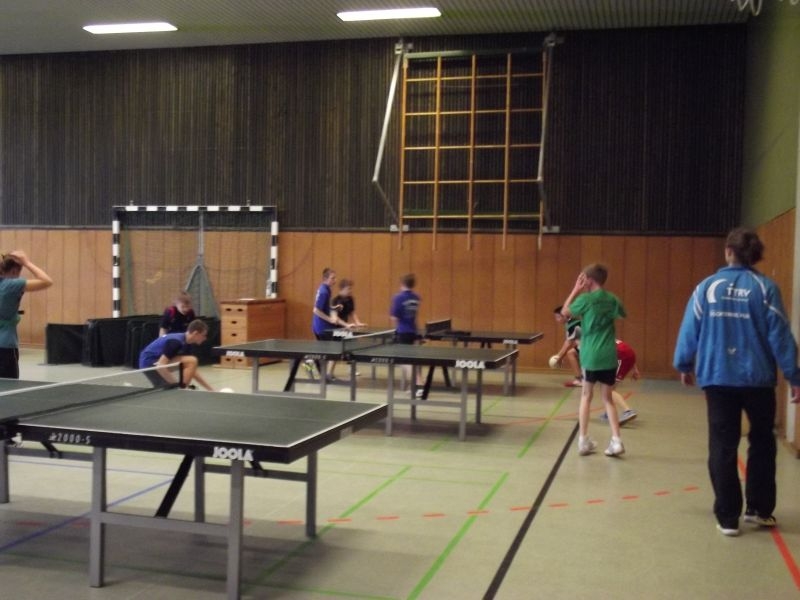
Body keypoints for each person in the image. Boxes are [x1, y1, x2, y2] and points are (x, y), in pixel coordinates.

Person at [674, 227, 800, 537]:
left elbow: (690, 327)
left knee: (722, 445)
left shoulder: (706, 287)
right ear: (754, 255)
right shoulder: (765, 288)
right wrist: (794, 375)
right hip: (758, 380)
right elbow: (780, 335)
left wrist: (684, 362)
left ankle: (728, 516)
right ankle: (758, 509)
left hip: (717, 377)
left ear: (729, 252)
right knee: (762, 441)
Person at [561, 264, 627, 457]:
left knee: (586, 396)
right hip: (608, 355)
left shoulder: (585, 299)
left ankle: (583, 441)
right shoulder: (612, 299)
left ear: (588, 280)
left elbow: (565, 312)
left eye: (583, 279)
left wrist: (575, 290)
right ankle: (616, 441)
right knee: (608, 399)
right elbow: (622, 314)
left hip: (590, 355)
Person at [0, 251, 53, 379]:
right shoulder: (11, 285)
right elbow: (47, 281)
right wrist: (27, 262)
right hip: (5, 346)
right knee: (9, 387)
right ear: (14, 271)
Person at [138, 318, 214, 391]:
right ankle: (181, 389)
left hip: (158, 363)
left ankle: (182, 389)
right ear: (195, 333)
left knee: (191, 362)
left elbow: (192, 370)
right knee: (191, 361)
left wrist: (210, 389)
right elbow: (160, 366)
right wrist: (176, 385)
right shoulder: (176, 342)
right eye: (204, 335)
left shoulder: (187, 343)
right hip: (149, 364)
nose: (205, 338)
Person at [310, 268, 352, 381]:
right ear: (325, 279)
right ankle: (315, 364)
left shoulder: (326, 289)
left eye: (335, 277)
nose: (335, 280)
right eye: (332, 278)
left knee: (327, 350)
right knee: (335, 347)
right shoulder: (324, 291)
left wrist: (334, 307)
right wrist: (330, 319)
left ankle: (315, 365)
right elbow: (316, 310)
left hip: (322, 327)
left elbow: (323, 307)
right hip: (322, 328)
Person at [390, 273, 423, 397]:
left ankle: (419, 384)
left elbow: (394, 317)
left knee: (404, 360)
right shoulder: (416, 297)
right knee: (410, 360)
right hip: (413, 331)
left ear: (402, 283)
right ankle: (415, 385)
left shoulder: (398, 298)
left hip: (403, 332)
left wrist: (396, 329)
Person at [329, 279, 366, 378]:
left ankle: (352, 369)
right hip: (336, 329)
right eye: (348, 289)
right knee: (336, 351)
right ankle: (329, 373)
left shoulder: (350, 299)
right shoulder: (335, 300)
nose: (350, 291)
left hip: (345, 329)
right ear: (342, 289)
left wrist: (358, 322)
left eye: (351, 288)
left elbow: (352, 312)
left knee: (352, 347)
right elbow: (335, 317)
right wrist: (346, 325)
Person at [552, 305, 583, 387]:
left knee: (571, 353)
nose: (557, 320)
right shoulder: (571, 323)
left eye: (558, 317)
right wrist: (560, 356)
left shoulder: (573, 325)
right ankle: (582, 378)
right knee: (572, 352)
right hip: (587, 346)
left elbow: (568, 343)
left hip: (590, 347)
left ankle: (579, 380)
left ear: (565, 316)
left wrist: (558, 357)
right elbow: (572, 341)